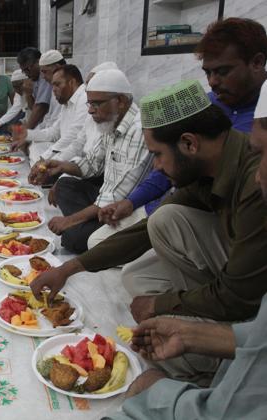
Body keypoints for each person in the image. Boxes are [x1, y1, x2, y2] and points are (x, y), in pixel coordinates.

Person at [31, 79, 267, 385]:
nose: (155, 167)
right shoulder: (205, 165)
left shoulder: (255, 182)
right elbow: (143, 232)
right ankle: (196, 327)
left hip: (249, 298)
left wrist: (161, 305)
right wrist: (70, 268)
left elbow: (239, 296)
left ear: (189, 144)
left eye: (157, 154)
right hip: (231, 269)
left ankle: (207, 357)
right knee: (136, 273)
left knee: (165, 220)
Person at [104, 80, 267, 420]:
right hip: (232, 289)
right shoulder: (207, 169)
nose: (259, 173)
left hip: (237, 293)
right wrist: (191, 333)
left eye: (264, 154)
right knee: (142, 255)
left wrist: (154, 392)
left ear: (190, 143)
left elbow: (228, 408)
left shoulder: (250, 186)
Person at [90, 18, 267, 248]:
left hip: (227, 220)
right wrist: (131, 202)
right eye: (208, 72)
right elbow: (168, 159)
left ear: (257, 62)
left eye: (222, 71)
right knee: (98, 242)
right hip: (172, 205)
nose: (212, 81)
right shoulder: (205, 103)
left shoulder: (262, 119)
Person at [34, 69, 150, 254]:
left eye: (96, 104)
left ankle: (83, 226)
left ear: (119, 101)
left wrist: (70, 220)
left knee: (74, 239)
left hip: (126, 209)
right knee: (64, 184)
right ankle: (86, 222)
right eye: (89, 103)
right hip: (105, 200)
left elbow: (119, 196)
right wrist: (60, 165)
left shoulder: (138, 131)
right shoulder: (112, 121)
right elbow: (92, 164)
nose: (90, 110)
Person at [14, 64, 88, 165]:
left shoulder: (84, 99)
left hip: (79, 157)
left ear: (72, 82)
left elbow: (72, 137)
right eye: (53, 85)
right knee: (36, 147)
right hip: (65, 149)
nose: (53, 89)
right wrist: (27, 134)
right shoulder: (67, 101)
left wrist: (45, 159)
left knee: (43, 158)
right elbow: (54, 132)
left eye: (57, 84)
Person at [17, 47, 58, 129]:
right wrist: (28, 94)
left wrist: (26, 133)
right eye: (24, 71)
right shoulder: (35, 78)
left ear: (38, 62)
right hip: (47, 124)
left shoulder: (44, 77)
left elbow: (41, 107)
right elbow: (34, 108)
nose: (26, 73)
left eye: (28, 69)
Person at [35, 49, 67, 130]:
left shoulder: (67, 88)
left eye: (45, 72)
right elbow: (49, 118)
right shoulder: (54, 87)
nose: (42, 76)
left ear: (57, 68)